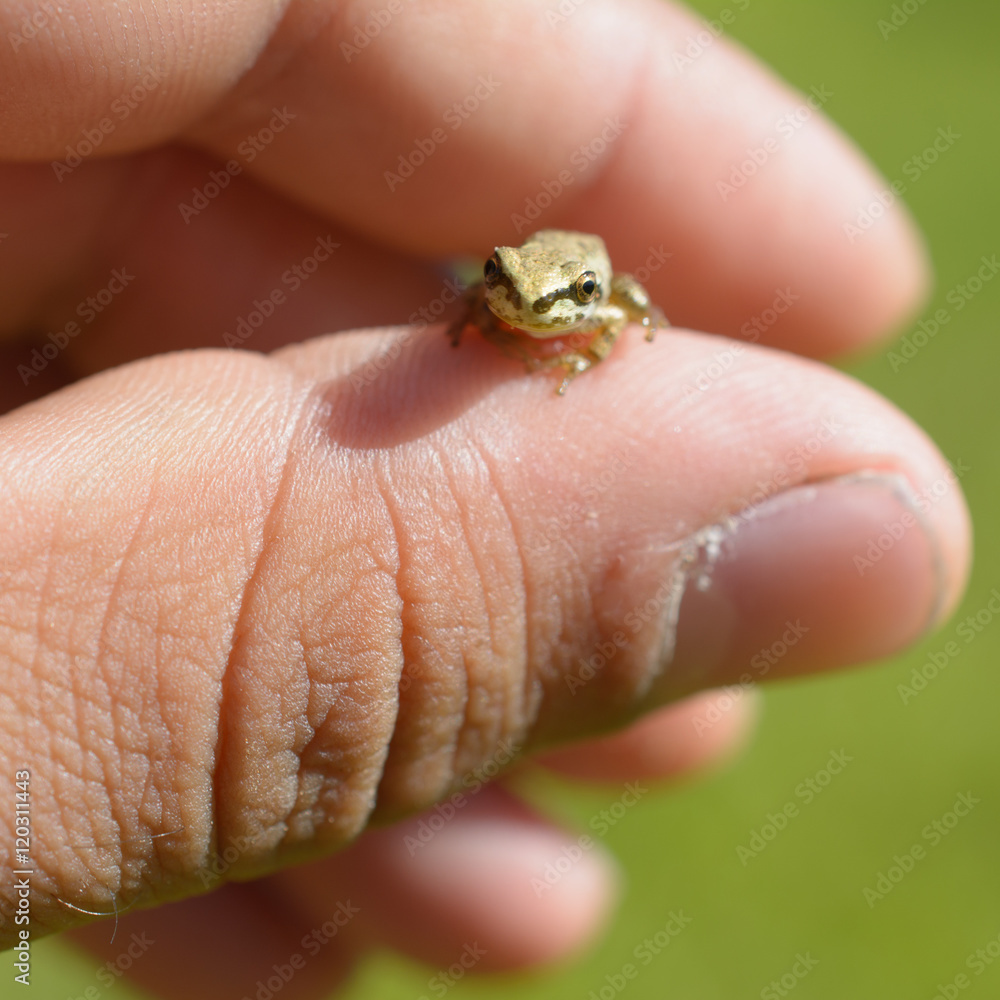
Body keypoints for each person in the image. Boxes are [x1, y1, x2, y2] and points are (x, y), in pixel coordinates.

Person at [0, 0, 970, 996]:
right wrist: (487, 315)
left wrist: (586, 341)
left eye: (536, 306)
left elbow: (620, 308)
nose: (519, 310)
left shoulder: (577, 307)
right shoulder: (504, 290)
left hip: (578, 281)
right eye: (505, 294)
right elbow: (496, 291)